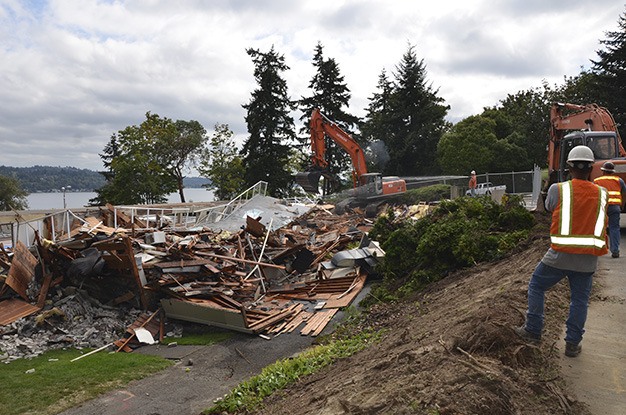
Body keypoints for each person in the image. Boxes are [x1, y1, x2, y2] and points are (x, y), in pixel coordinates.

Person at [514, 145, 609, 358]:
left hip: (560, 255)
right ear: (591, 168)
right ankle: (573, 344)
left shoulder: (559, 189)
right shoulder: (602, 193)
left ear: (569, 167)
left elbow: (548, 207)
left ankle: (533, 330)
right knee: (579, 300)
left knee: (537, 285)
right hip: (588, 259)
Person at [593, 161, 626, 258]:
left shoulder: (597, 181)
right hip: (615, 207)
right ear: (613, 172)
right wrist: (622, 204)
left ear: (603, 171)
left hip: (602, 207)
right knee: (614, 228)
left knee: (600, 228)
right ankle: (615, 251)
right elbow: (624, 193)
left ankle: (598, 249)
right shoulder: (618, 180)